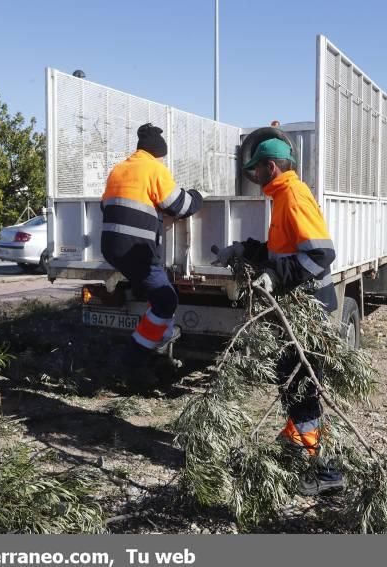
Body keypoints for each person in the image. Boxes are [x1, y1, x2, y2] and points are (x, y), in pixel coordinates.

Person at [213, 137, 344, 495]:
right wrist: (242, 250)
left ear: (271, 167)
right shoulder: (282, 195)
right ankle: (296, 441)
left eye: (254, 168)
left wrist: (274, 277)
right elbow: (280, 252)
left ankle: (328, 469)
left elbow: (320, 254)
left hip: (309, 307)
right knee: (292, 381)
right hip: (297, 307)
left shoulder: (294, 195)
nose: (252, 175)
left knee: (302, 386)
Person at [101, 123, 203, 381]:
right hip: (136, 249)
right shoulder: (155, 168)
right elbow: (179, 205)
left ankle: (158, 335)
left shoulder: (119, 169)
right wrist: (197, 195)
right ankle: (134, 360)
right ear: (158, 152)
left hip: (111, 247)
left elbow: (108, 205)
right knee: (166, 299)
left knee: (155, 293)